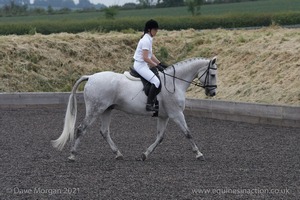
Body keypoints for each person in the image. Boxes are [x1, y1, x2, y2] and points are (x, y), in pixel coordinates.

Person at [133, 19, 166, 112]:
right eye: (155, 30)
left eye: (156, 30)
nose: (156, 32)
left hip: (143, 64)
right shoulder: (146, 40)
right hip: (140, 65)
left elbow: (151, 55)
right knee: (156, 82)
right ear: (149, 30)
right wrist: (156, 66)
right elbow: (145, 58)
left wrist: (160, 63)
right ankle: (149, 104)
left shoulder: (148, 38)